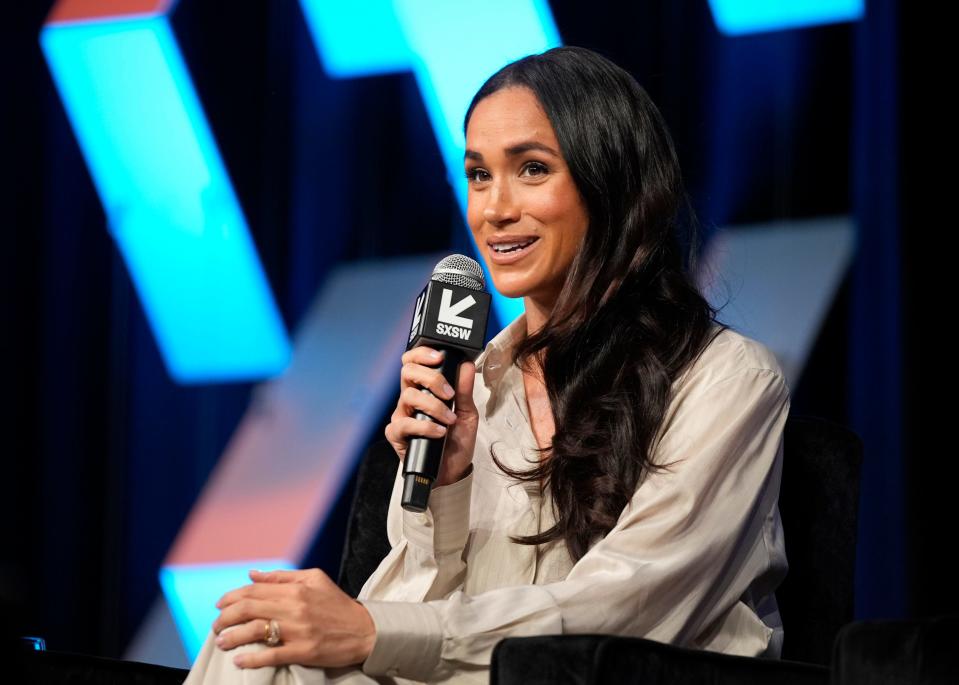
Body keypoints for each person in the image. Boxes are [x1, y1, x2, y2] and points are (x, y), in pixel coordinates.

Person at [184, 45, 790, 685]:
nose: (495, 210)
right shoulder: (476, 386)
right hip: (477, 675)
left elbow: (628, 608)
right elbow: (415, 611)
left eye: (532, 169)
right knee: (249, 640)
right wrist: (444, 489)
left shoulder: (727, 379)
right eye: (478, 175)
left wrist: (370, 630)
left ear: (610, 182)